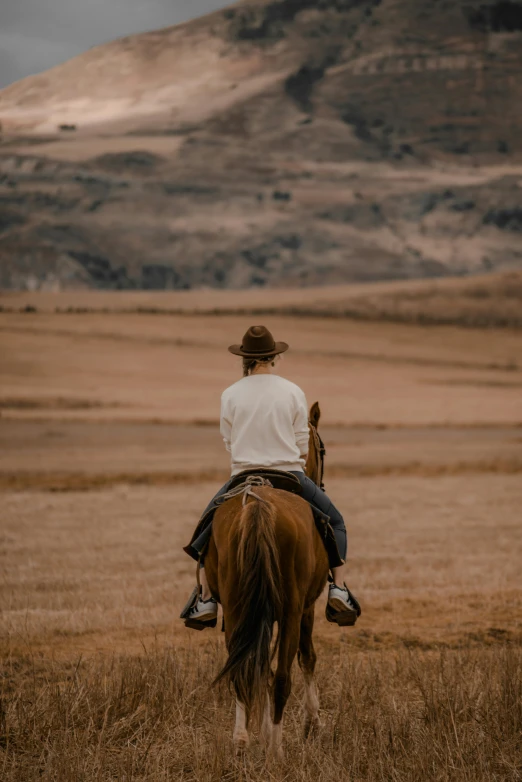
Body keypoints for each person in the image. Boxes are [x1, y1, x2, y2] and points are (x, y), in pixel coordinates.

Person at [185, 325, 357, 625]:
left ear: (245, 359)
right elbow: (302, 442)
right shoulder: (292, 390)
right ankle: (338, 590)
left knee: (206, 532)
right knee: (336, 522)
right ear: (274, 357)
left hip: (243, 476)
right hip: (288, 474)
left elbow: (228, 439)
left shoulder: (230, 394)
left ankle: (206, 600)